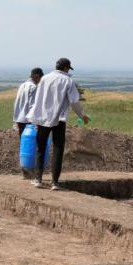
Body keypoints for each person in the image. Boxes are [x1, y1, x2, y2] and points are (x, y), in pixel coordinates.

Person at [26, 58, 89, 191]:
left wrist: (35, 117)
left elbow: (38, 99)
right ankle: (55, 183)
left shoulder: (45, 78)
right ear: (66, 68)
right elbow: (74, 102)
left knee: (40, 148)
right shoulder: (68, 81)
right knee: (58, 150)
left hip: (43, 119)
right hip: (59, 119)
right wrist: (82, 115)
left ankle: (38, 180)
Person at [13, 67, 44, 179]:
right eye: (40, 78)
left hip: (20, 119)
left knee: (24, 146)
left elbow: (16, 104)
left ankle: (25, 172)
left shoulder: (22, 85)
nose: (40, 81)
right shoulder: (33, 87)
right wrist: (35, 122)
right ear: (36, 76)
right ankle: (32, 172)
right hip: (28, 121)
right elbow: (32, 106)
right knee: (32, 147)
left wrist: (15, 119)